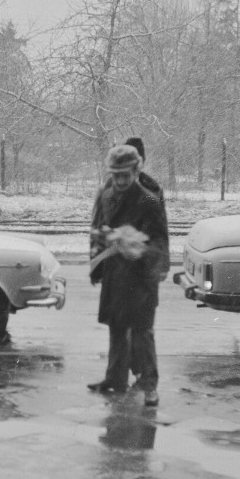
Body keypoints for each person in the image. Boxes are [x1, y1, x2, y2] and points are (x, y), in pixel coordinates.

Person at [88, 144, 169, 408]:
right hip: (115, 273)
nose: (120, 181)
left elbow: (159, 241)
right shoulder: (106, 194)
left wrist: (139, 248)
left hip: (140, 276)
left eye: (125, 175)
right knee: (116, 328)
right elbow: (97, 228)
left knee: (143, 333)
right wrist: (99, 255)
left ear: (136, 171)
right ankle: (114, 379)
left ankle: (149, 386)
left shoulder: (148, 199)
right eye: (115, 175)